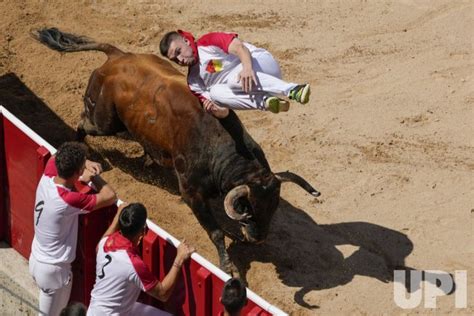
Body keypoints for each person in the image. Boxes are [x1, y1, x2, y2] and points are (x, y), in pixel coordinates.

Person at [29, 141, 118, 316]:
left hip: (37, 259)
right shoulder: (67, 199)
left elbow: (59, 154)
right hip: (53, 271)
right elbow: (110, 196)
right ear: (77, 172)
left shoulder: (48, 173)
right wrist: (94, 177)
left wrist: (85, 163)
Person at [159, 30, 311, 116]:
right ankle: (266, 102)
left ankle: (293, 89)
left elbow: (240, 48)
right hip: (252, 88)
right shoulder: (194, 82)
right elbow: (225, 112)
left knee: (233, 80)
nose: (180, 59)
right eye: (175, 59)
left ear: (186, 41)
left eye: (179, 51)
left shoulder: (207, 41)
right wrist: (215, 110)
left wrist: (247, 68)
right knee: (216, 93)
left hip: (260, 65)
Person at [87, 203, 195, 315]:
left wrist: (117, 217)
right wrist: (179, 258)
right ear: (143, 232)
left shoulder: (104, 244)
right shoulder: (132, 263)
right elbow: (163, 294)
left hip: (94, 310)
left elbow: (100, 244)